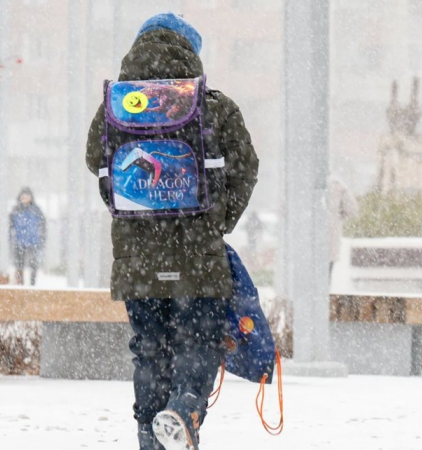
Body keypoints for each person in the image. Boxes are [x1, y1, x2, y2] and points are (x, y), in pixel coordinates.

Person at [85, 13, 259, 450]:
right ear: (191, 51)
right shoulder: (212, 105)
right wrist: (218, 220)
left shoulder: (115, 106)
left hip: (138, 260)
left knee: (149, 348)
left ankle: (149, 435)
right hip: (198, 256)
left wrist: (136, 210)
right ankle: (184, 410)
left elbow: (96, 163)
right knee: (197, 341)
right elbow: (246, 168)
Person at [8, 187, 46, 286]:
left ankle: (32, 284)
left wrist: (42, 239)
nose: (25, 198)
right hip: (19, 242)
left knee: (33, 264)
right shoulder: (16, 210)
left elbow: (43, 225)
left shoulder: (36, 210)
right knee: (19, 265)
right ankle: (20, 284)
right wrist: (11, 239)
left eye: (27, 195)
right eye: (23, 195)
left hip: (33, 242)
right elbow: (10, 226)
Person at [329, 176, 358, 275]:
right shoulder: (337, 185)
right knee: (326, 275)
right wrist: (339, 215)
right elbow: (352, 209)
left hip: (307, 244)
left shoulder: (304, 182)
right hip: (330, 239)